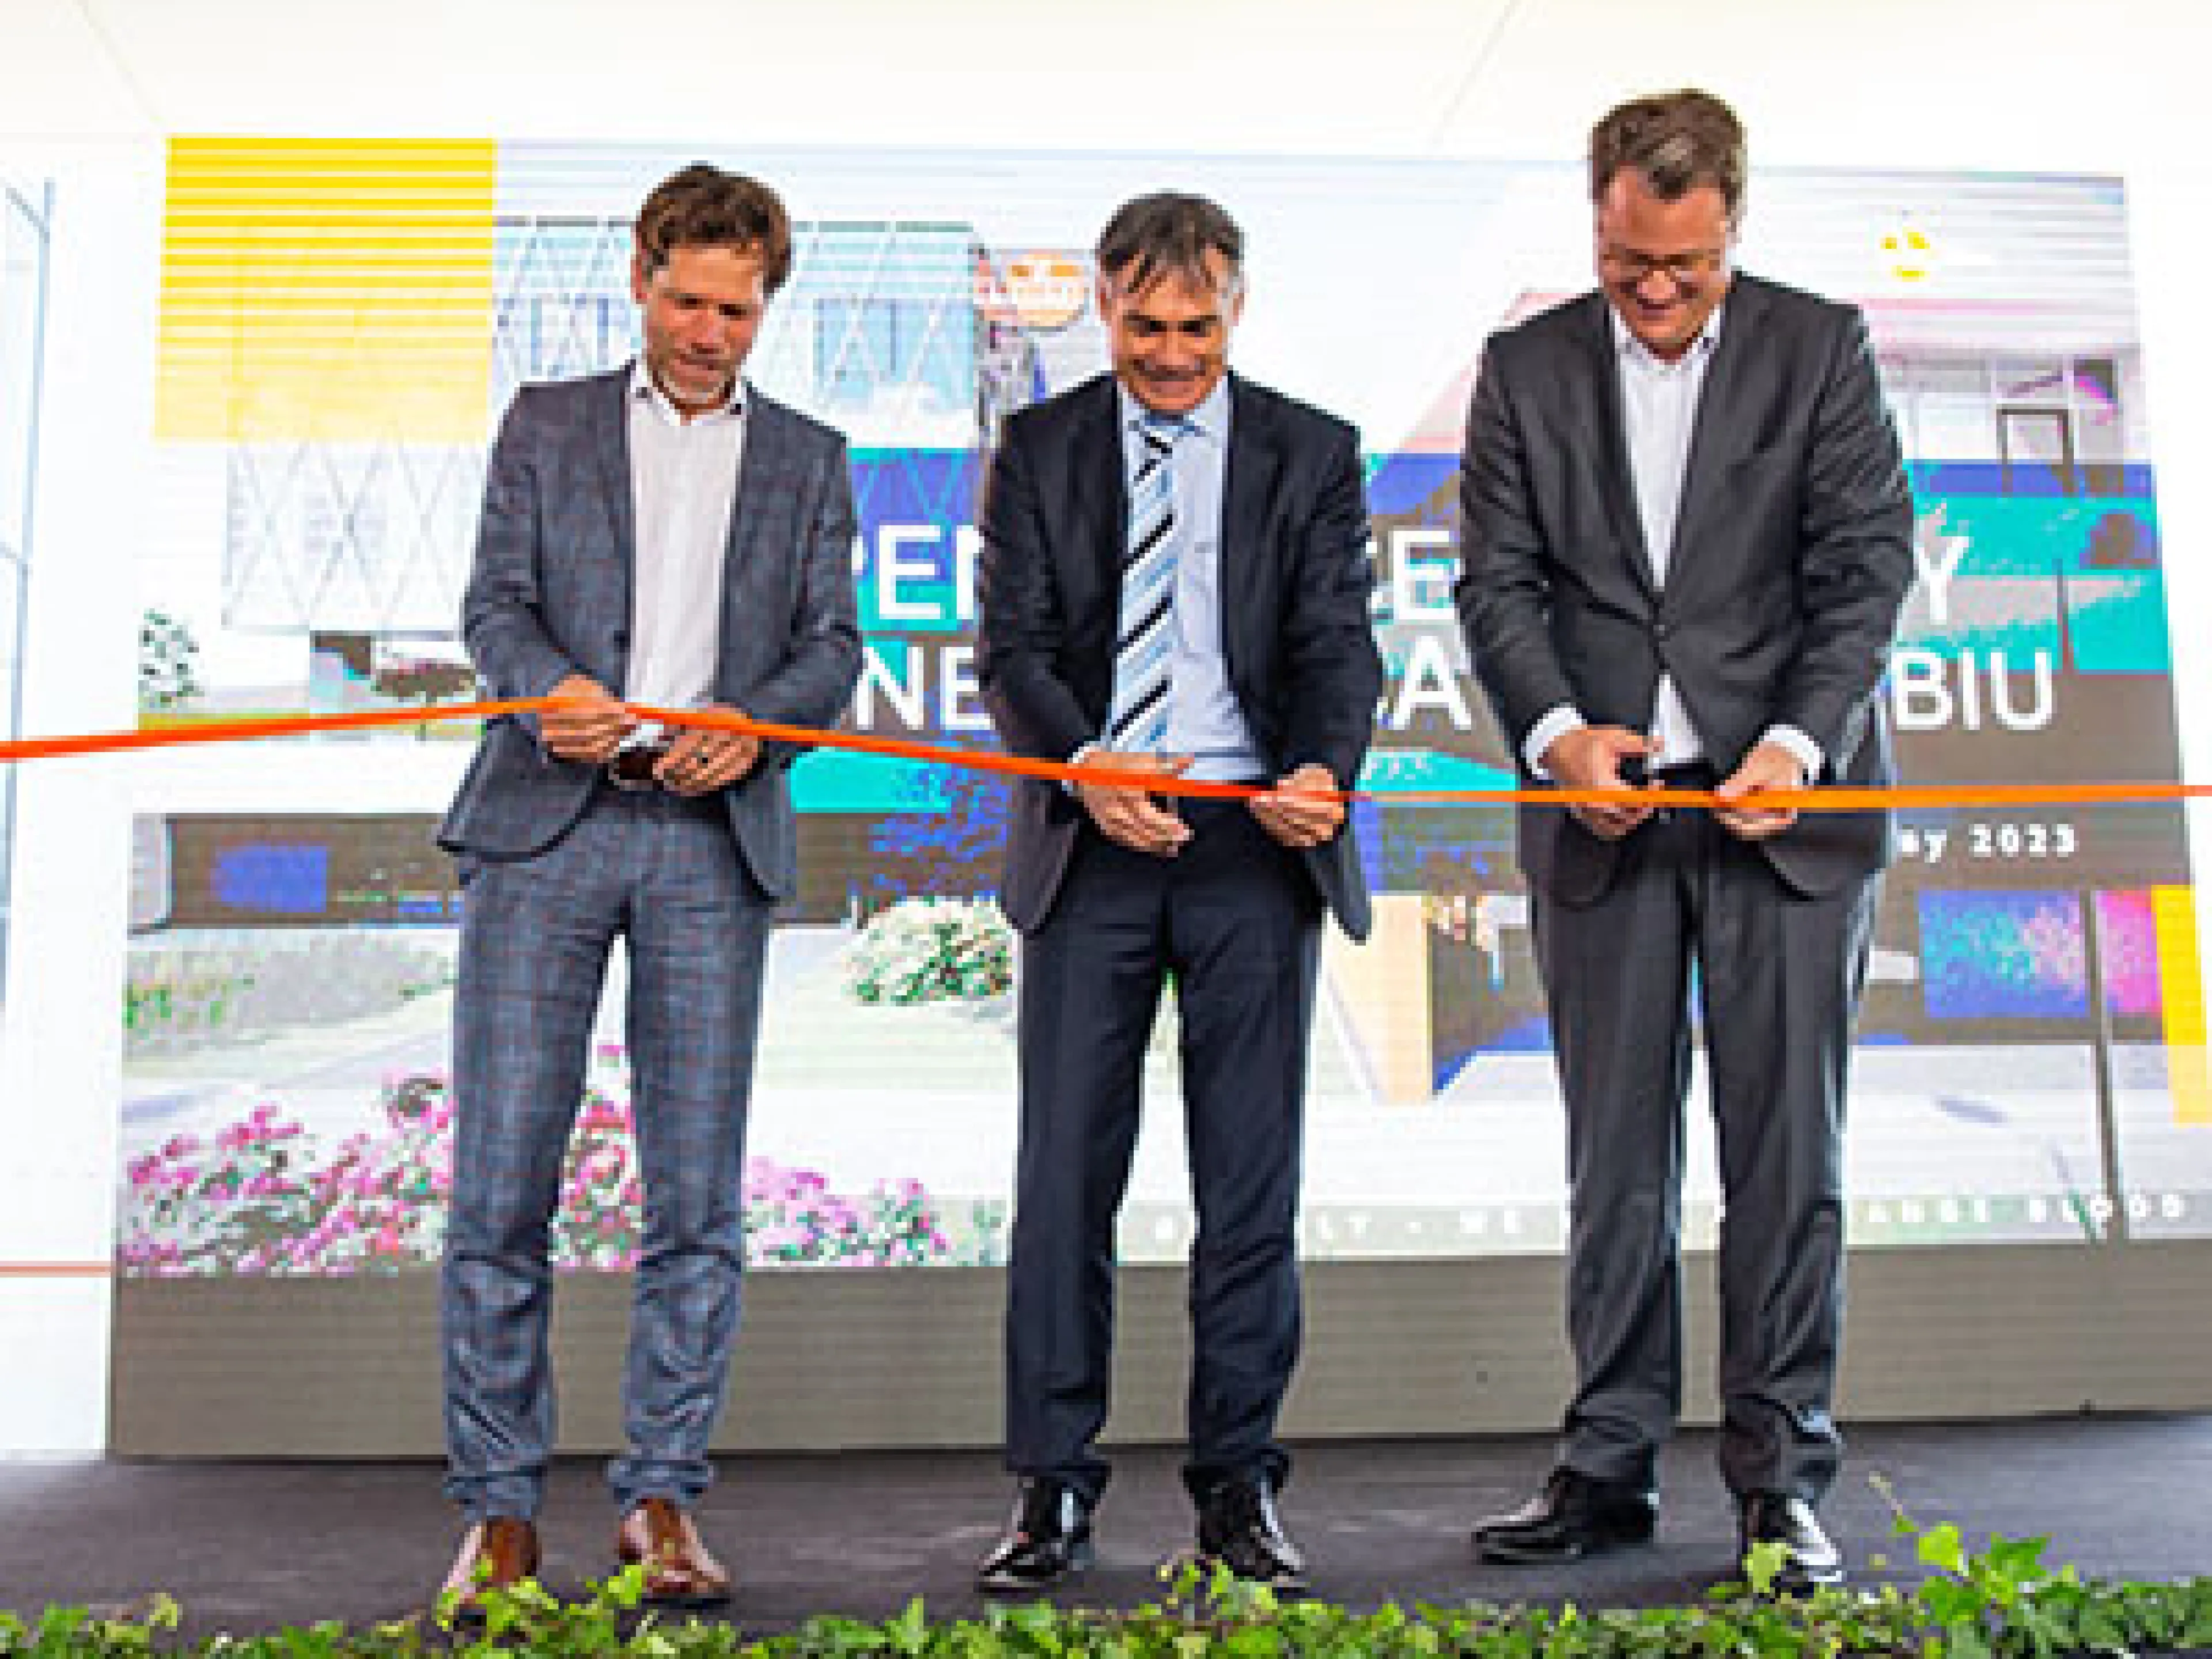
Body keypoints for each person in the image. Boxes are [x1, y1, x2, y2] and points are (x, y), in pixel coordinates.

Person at [1455, 90, 1914, 1593]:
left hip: (1784, 819)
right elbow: (1497, 585)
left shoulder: (1820, 346)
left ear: (1734, 228)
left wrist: (1796, 740)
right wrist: (1553, 734)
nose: (1655, 293)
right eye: (1628, 262)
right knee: (1618, 1166)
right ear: (1596, 222)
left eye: (1687, 268)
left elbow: (1864, 571)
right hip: (1607, 822)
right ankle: (1607, 1464)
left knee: (1789, 1159)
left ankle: (1782, 1479)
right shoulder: (1523, 368)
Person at [433, 163, 861, 1613]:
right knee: (500, 1189)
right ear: (640, 276)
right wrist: (542, 684)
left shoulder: (811, 456)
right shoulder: (545, 422)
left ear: (765, 307)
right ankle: (499, 1516)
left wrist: (754, 723)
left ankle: (661, 1501)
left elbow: (830, 650)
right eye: (687, 300)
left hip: (706, 841)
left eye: (736, 309)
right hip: (544, 827)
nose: (708, 332)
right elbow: (493, 604)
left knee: (695, 1198)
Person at [973, 192, 1382, 1594]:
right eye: (1143, 326)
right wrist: (1079, 760)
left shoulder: (1311, 451)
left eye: (1195, 328)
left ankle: (1237, 1493)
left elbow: (1338, 637)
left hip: (1252, 850)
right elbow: (1012, 644)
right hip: (1093, 841)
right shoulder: (1036, 449)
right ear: (1103, 307)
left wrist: (1325, 766)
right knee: (1063, 1183)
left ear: (1237, 309)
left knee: (1250, 1190)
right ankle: (1052, 1493)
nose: (1168, 354)